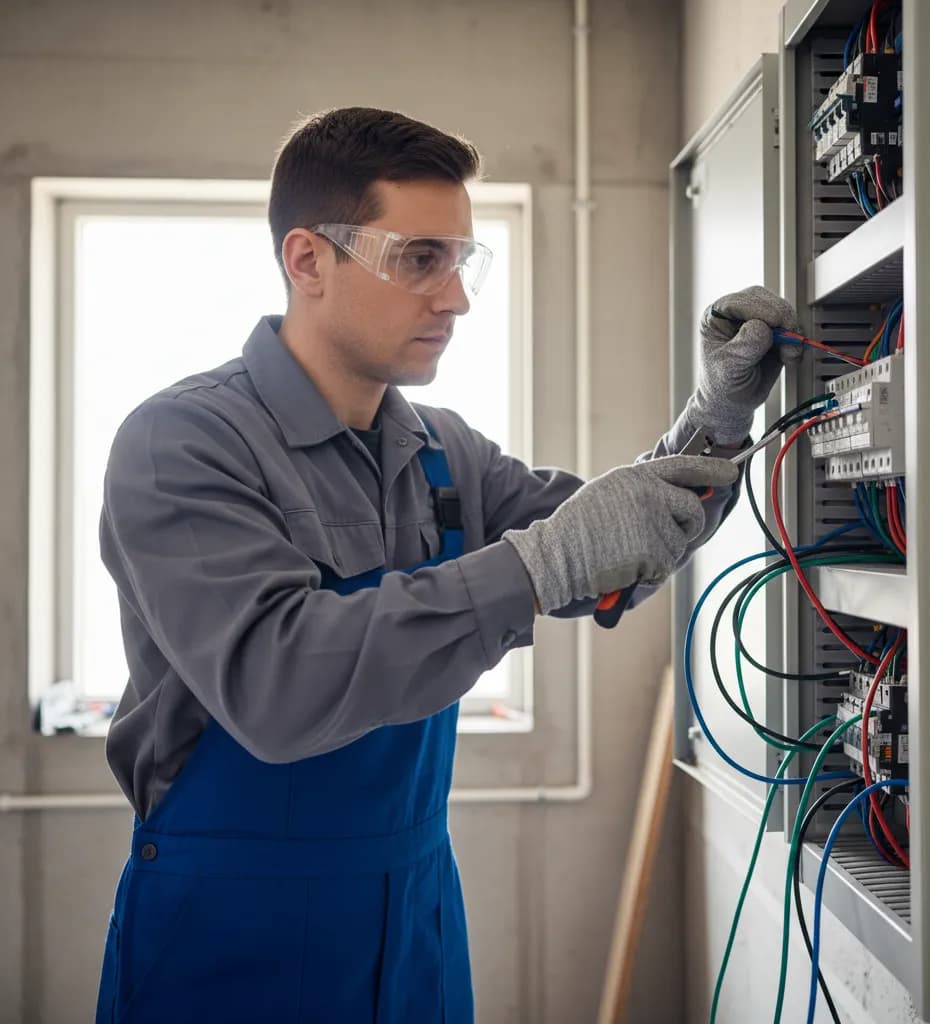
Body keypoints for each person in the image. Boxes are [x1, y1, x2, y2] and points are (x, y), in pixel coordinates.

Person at [94, 107, 800, 1024]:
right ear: (308, 261)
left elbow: (609, 549)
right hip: (232, 928)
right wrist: (535, 567)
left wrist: (714, 421)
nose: (456, 298)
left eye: (462, 261)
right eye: (420, 258)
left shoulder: (441, 450)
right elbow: (277, 687)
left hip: (414, 914)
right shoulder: (183, 444)